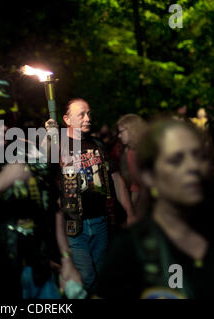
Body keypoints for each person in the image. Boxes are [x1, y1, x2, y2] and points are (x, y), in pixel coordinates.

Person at [0, 77, 81, 299]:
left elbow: (53, 208)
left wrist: (66, 259)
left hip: (40, 274)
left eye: (7, 117)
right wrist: (2, 181)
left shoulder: (30, 152)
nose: (3, 127)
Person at [95, 119, 214, 299]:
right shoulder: (131, 251)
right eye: (176, 160)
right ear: (149, 176)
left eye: (198, 156)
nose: (192, 167)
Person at [45, 98, 135, 294]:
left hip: (101, 222)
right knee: (86, 276)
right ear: (67, 119)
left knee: (101, 275)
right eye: (82, 114)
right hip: (74, 226)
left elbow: (116, 179)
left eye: (89, 114)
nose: (88, 118)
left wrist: (129, 212)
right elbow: (43, 168)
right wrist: (49, 137)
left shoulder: (97, 144)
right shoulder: (57, 145)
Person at [116, 114, 147, 207]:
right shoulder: (130, 152)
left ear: (131, 130)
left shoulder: (148, 150)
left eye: (121, 131)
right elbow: (135, 185)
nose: (119, 136)